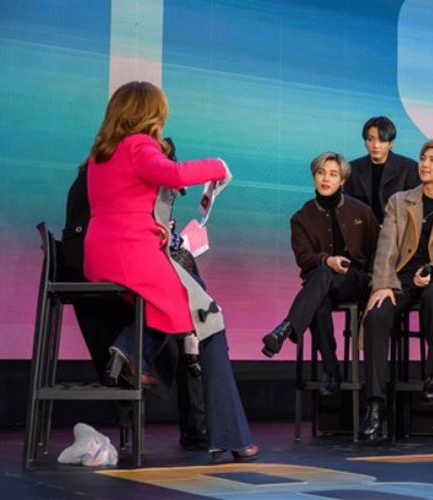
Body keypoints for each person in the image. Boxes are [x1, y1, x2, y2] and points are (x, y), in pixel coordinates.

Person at [83, 81, 256, 463]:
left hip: (102, 254)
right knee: (208, 315)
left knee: (188, 303)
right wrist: (218, 166)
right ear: (149, 114)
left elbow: (127, 202)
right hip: (132, 254)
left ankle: (132, 350)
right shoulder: (138, 145)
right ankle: (229, 434)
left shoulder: (100, 154)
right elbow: (174, 174)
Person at [62, 145, 208, 450]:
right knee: (188, 304)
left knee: (185, 302)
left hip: (85, 267)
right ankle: (196, 424)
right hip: (104, 274)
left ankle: (136, 358)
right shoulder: (118, 171)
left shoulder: (95, 170)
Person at [360, 139, 433, 439]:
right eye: (423, 158)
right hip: (402, 278)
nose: (424, 164)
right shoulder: (399, 201)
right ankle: (376, 403)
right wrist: (382, 285)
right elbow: (386, 248)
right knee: (376, 315)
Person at [260, 152, 380, 395]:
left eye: (333, 174)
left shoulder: (361, 211)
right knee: (319, 302)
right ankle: (331, 370)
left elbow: (378, 249)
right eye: (321, 173)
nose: (326, 179)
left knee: (321, 278)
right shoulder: (301, 218)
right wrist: (327, 260)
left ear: (342, 180)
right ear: (314, 176)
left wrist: (372, 279)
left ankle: (287, 326)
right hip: (321, 284)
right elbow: (304, 258)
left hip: (356, 282)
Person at [344, 116, 420, 223]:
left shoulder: (409, 169)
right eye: (370, 139)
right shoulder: (352, 169)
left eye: (381, 140)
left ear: (391, 143)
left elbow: (415, 208)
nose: (375, 145)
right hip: (361, 227)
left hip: (396, 228)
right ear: (365, 142)